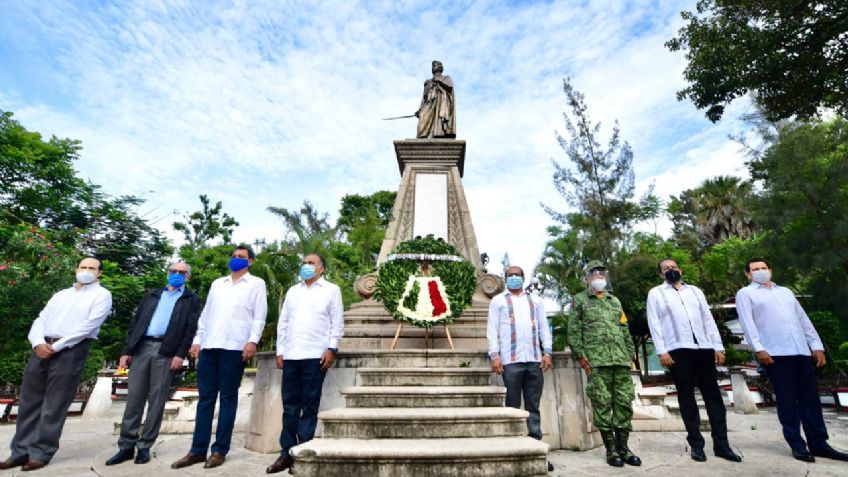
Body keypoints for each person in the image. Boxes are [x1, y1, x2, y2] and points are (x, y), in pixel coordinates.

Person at [0, 257, 112, 472]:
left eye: (92, 268)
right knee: (28, 402)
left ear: (99, 273)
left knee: (54, 404)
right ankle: (19, 452)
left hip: (71, 350)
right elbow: (40, 319)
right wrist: (38, 343)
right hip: (42, 348)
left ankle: (41, 452)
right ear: (76, 269)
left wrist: (57, 346)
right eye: (83, 267)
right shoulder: (61, 295)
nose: (86, 271)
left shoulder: (102, 295)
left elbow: (88, 326)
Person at [735, 258, 848, 463]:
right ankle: (797, 444)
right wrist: (759, 349)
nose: (761, 271)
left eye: (764, 268)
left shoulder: (785, 292)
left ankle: (819, 444)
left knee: (810, 399)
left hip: (801, 352)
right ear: (748, 274)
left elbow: (803, 319)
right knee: (788, 401)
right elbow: (747, 324)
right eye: (755, 269)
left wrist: (816, 346)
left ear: (770, 269)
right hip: (775, 354)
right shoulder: (746, 294)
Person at [171, 245, 267, 470]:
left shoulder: (256, 284)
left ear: (250, 261)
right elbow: (206, 315)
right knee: (205, 399)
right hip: (210, 346)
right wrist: (197, 340)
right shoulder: (218, 284)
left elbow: (259, 315)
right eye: (233, 256)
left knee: (228, 398)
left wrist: (252, 340)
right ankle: (197, 450)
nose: (236, 260)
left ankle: (219, 450)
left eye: (241, 257)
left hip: (235, 347)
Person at [105, 261, 201, 466]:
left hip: (166, 352)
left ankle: (145, 446)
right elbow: (136, 323)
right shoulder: (152, 295)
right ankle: (126, 446)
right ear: (167, 273)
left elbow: (190, 329)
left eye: (182, 272)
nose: (177, 274)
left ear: (188, 277)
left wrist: (180, 354)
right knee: (134, 399)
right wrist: (126, 351)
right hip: (141, 348)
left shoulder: (191, 299)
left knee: (157, 400)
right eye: (173, 271)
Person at [646, 258, 741, 463]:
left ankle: (722, 445)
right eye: (666, 269)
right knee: (687, 398)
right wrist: (661, 351)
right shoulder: (656, 293)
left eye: (674, 267)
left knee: (713, 398)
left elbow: (708, 319)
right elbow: (654, 323)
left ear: (680, 269)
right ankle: (696, 445)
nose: (671, 270)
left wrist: (718, 346)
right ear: (661, 274)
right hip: (678, 349)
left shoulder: (695, 291)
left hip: (704, 348)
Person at [266, 254, 344, 474]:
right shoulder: (293, 291)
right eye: (305, 263)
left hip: (315, 355)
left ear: (322, 269)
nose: (306, 266)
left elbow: (337, 322)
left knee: (309, 406)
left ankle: (302, 453)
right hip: (291, 355)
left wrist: (332, 349)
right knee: (290, 406)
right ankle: (285, 454)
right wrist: (281, 351)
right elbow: (284, 322)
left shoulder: (331, 290)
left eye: (312, 263)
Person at [567, 260, 640, 467]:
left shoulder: (614, 301)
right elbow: (574, 331)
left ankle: (624, 448)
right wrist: (581, 356)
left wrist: (630, 354)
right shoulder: (580, 300)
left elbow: (624, 329)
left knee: (624, 403)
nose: (599, 278)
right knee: (601, 403)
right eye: (594, 274)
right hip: (597, 362)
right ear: (587, 279)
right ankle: (611, 450)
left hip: (620, 360)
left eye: (602, 274)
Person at [486, 266, 554, 472]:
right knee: (513, 407)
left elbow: (543, 326)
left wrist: (548, 352)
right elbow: (492, 329)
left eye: (517, 275)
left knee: (533, 407)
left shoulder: (535, 300)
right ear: (505, 279)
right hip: (511, 361)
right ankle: (514, 450)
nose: (514, 278)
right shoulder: (497, 301)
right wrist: (495, 356)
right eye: (510, 275)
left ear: (524, 278)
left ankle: (536, 452)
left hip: (534, 360)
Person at [415, 60, 456, 139]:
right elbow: (424, 98)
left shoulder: (446, 78)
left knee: (439, 119)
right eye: (432, 66)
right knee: (423, 117)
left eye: (435, 65)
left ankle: (439, 132)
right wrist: (420, 109)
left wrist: (438, 80)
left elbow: (450, 87)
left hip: (441, 102)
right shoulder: (428, 82)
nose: (433, 67)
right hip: (428, 104)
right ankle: (423, 137)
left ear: (440, 67)